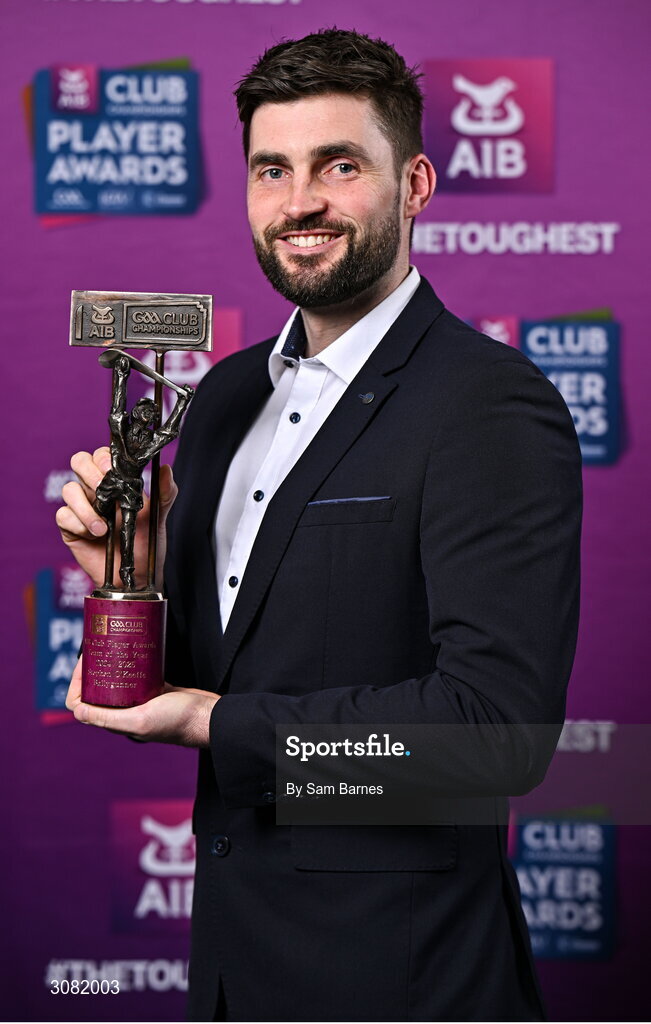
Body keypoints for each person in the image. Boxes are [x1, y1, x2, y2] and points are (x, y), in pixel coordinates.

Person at [57, 29, 582, 1022]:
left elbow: (495, 735)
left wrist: (216, 722)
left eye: (339, 166)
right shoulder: (215, 399)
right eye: (271, 169)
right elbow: (240, 660)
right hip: (230, 970)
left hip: (401, 982)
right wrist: (129, 574)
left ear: (415, 183)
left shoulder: (488, 404)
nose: (298, 202)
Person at [92, 355, 193, 589]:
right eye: (146, 409)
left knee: (128, 530)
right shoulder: (121, 426)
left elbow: (168, 432)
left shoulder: (150, 438)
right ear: (136, 412)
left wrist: (181, 403)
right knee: (99, 513)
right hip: (112, 480)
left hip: (131, 487)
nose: (151, 414)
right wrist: (121, 374)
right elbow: (117, 409)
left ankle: (128, 575)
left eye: (153, 412)